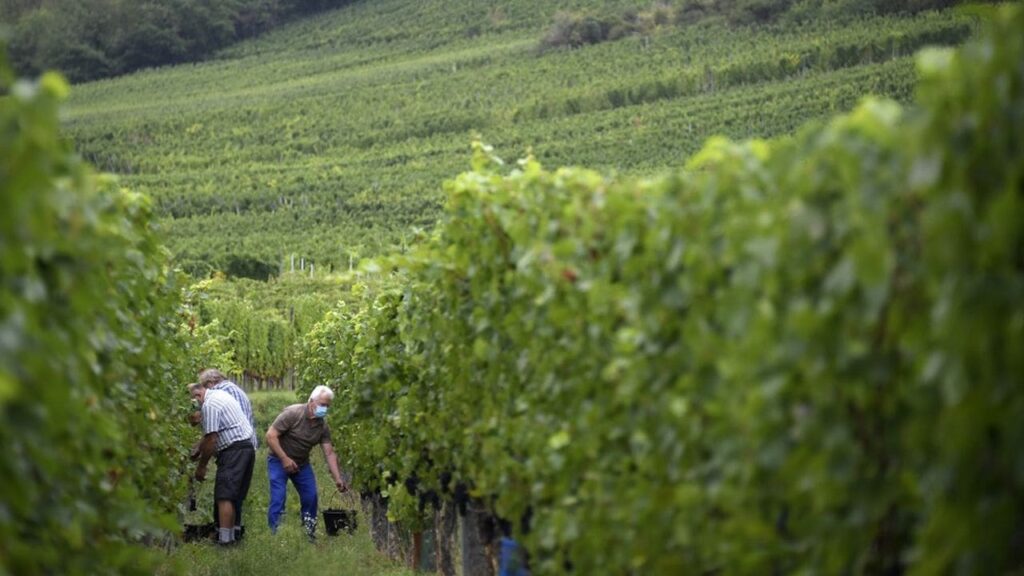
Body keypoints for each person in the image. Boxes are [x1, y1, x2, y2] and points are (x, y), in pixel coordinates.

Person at [265, 385, 349, 540]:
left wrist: (338, 478)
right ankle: (275, 535)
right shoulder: (293, 414)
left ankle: (309, 534)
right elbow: (270, 436)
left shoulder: (322, 426)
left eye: (327, 406)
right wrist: (284, 458)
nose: (325, 409)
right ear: (311, 401)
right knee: (278, 497)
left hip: (301, 464)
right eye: (322, 404)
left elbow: (329, 453)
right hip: (278, 460)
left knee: (311, 496)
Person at [189, 382, 256, 546]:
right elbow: (211, 435)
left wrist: (201, 467)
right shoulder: (219, 395)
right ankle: (232, 538)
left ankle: (225, 542)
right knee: (233, 496)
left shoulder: (210, 405)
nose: (195, 409)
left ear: (197, 396)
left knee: (224, 496)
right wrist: (198, 448)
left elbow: (212, 438)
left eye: (193, 405)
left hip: (233, 451)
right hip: (245, 448)